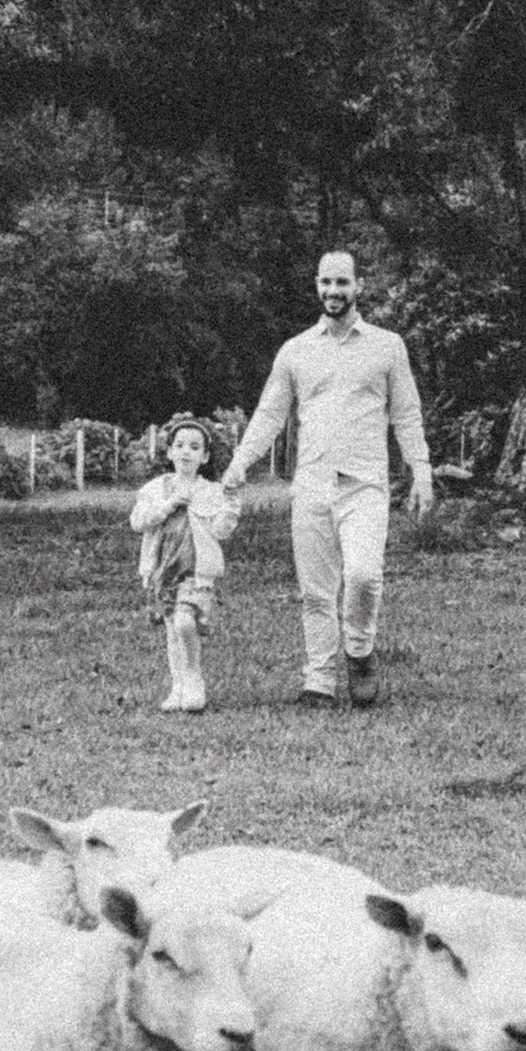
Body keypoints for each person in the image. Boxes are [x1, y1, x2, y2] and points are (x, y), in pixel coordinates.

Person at [221, 250, 435, 708]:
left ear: (359, 286)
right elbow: (270, 414)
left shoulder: (387, 346)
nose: (333, 292)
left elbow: (407, 414)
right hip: (312, 484)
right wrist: (240, 463)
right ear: (316, 286)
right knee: (315, 592)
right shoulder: (297, 350)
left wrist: (422, 471)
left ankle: (359, 651)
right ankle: (318, 679)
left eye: (342, 283)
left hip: (365, 484)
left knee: (362, 576)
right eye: (325, 283)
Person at [127, 413, 241, 713]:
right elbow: (138, 522)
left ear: (204, 456)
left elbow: (220, 531)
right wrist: (168, 505)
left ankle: (194, 679)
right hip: (164, 571)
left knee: (185, 623)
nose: (186, 452)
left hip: (195, 571)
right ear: (169, 452)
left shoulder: (210, 492)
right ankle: (178, 685)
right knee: (171, 630)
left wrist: (230, 506)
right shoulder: (156, 490)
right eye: (180, 445)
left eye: (194, 447)